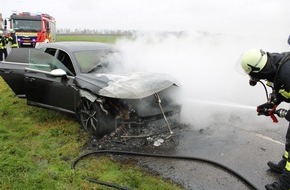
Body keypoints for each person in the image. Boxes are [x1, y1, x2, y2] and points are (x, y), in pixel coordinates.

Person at [240, 48, 290, 190]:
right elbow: (282, 89)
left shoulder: (287, 71)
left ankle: (285, 185)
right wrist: (271, 104)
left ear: (258, 69)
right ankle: (284, 164)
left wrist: (286, 114)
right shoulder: (274, 65)